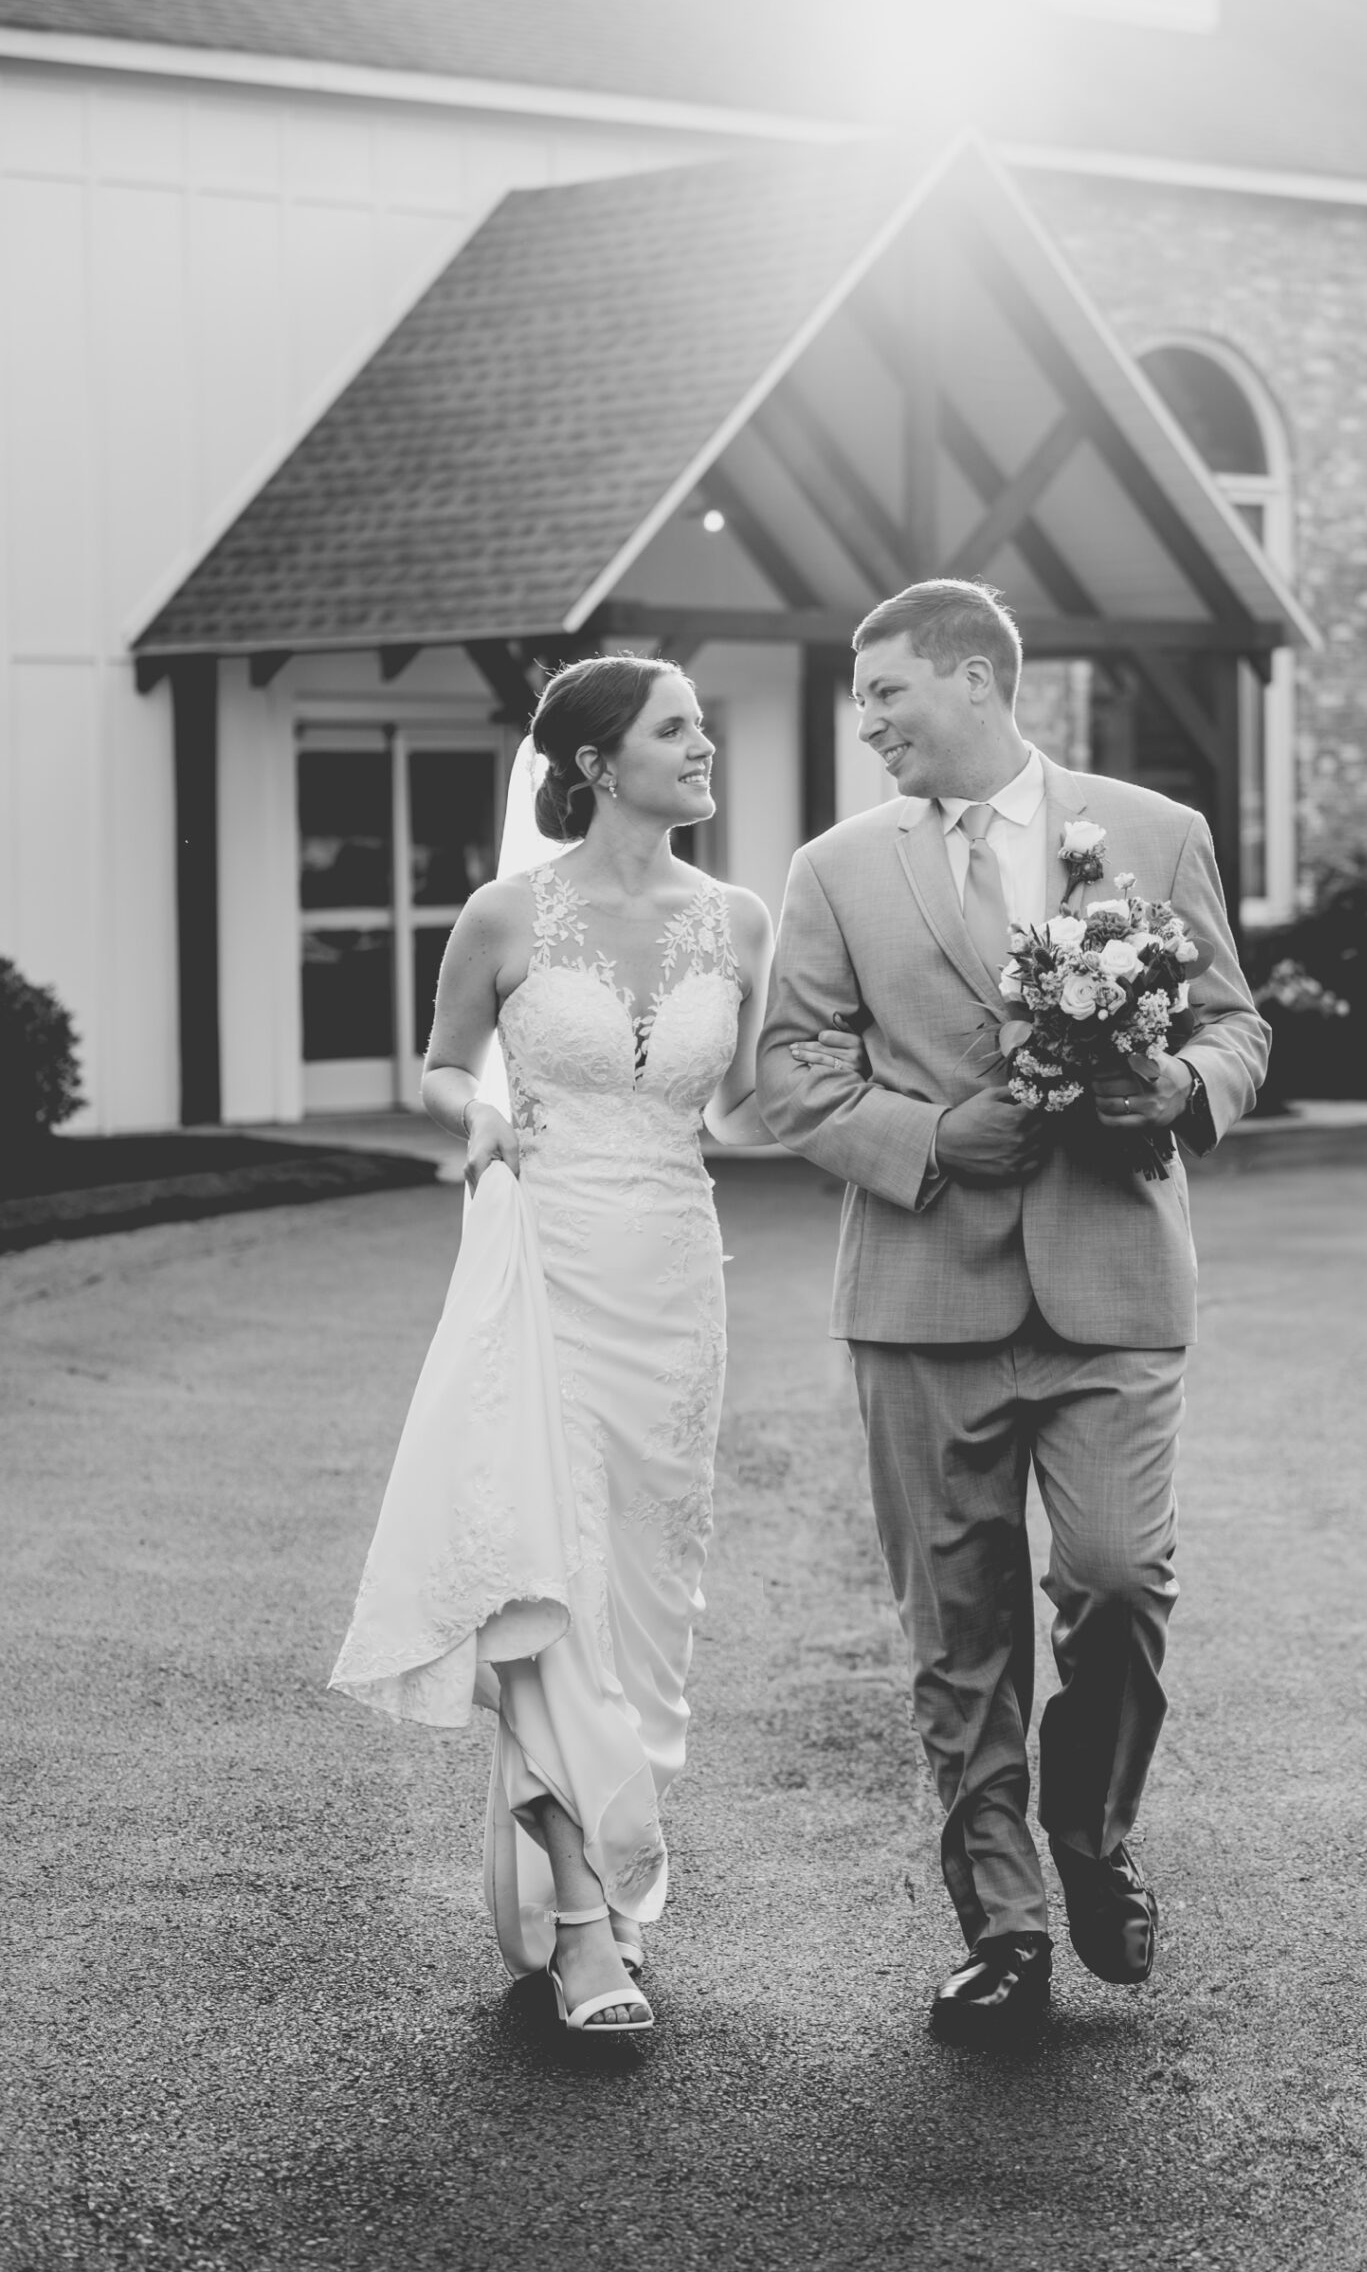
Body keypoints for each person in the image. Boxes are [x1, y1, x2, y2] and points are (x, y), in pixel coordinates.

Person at [757, 579, 1269, 2038]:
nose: (867, 727)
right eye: (861, 704)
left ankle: (1091, 1837)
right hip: (920, 1293)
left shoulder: (1151, 833)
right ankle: (1003, 1926)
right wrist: (926, 1142)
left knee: (1113, 1582)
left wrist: (1179, 1086)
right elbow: (789, 1072)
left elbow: (1234, 1022)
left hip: (1112, 1277)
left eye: (887, 696)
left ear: (976, 680)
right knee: (957, 1625)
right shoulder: (835, 869)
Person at [331, 653, 858, 2042]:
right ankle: (578, 1928)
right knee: (542, 1578)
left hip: (676, 1279)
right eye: (674, 731)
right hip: (545, 1265)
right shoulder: (507, 913)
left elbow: (747, 1105)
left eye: (700, 730)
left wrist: (868, 1119)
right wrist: (477, 1113)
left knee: (640, 1598)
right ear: (595, 761)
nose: (703, 749)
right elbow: (441, 1062)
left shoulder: (738, 921)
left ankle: (607, 1863)